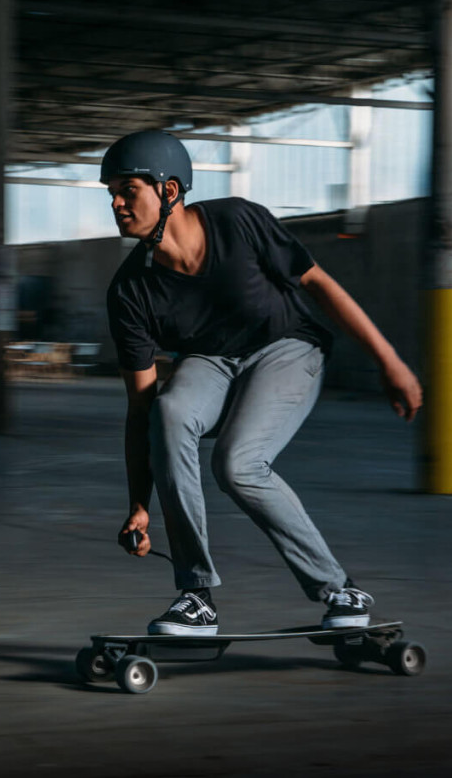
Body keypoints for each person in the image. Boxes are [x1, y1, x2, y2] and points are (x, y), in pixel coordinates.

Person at [103, 130, 422, 636]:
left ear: (168, 191)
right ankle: (195, 596)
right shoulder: (130, 290)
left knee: (237, 463)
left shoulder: (237, 220)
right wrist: (139, 504)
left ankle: (339, 589)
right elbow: (141, 409)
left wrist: (389, 361)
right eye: (111, 193)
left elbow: (319, 285)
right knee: (169, 409)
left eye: (128, 190)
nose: (117, 203)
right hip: (210, 360)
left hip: (287, 346)